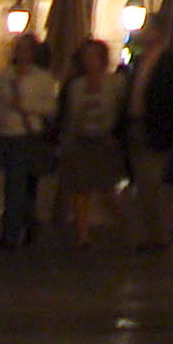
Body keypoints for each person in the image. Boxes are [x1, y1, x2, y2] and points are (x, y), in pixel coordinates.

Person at [0, 32, 59, 251]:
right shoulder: (5, 76)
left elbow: (51, 108)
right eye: (19, 48)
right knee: (16, 185)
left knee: (20, 186)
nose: (22, 52)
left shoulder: (43, 78)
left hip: (29, 136)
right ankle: (26, 225)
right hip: (8, 134)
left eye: (26, 49)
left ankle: (13, 232)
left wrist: (26, 106)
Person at [125, 18, 173, 249]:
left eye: (147, 28)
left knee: (150, 181)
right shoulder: (140, 59)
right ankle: (151, 232)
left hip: (156, 128)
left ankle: (157, 235)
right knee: (143, 183)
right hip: (136, 125)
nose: (143, 32)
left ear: (158, 32)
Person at [53, 38, 124, 249]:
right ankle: (83, 234)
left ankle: (123, 227)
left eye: (92, 55)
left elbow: (120, 112)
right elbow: (69, 114)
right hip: (81, 140)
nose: (88, 60)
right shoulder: (76, 85)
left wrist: (116, 136)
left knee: (106, 188)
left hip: (104, 141)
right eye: (86, 55)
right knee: (80, 188)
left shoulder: (115, 83)